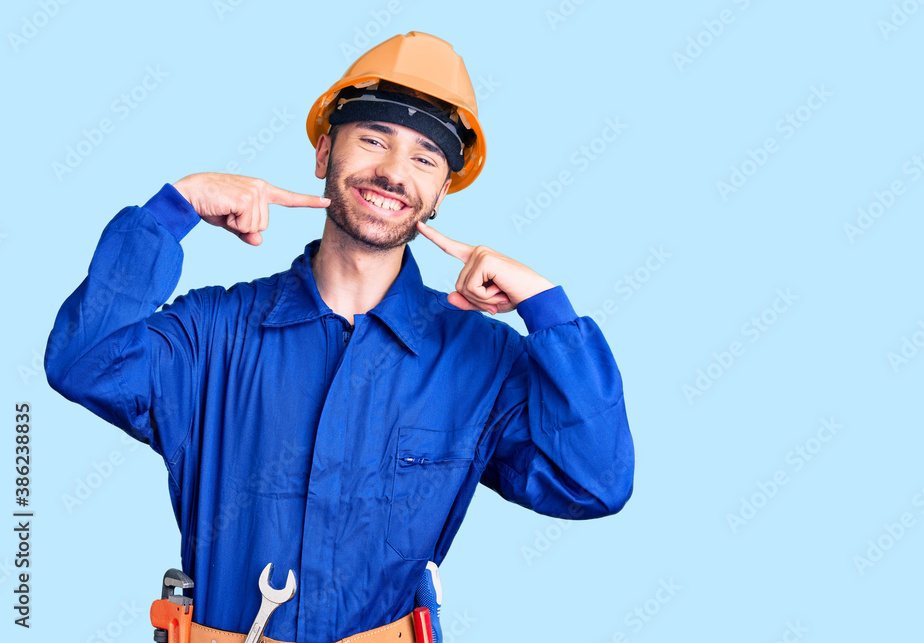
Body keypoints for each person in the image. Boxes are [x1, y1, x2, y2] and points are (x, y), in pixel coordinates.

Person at [45, 31, 634, 643]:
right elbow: (83, 362)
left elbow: (593, 482)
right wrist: (176, 208)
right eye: (373, 140)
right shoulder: (212, 332)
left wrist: (547, 309)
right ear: (325, 153)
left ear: (439, 195)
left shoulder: (481, 360)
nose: (393, 172)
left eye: (425, 159)